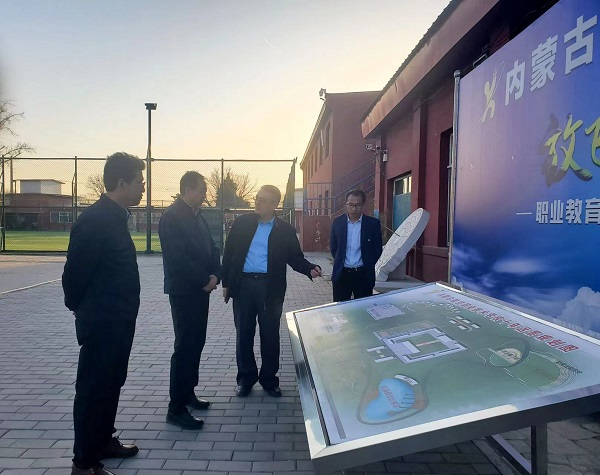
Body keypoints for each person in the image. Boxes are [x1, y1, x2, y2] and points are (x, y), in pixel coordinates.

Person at [62, 152, 146, 475]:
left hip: (119, 321)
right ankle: (84, 463)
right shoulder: (95, 221)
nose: (143, 188)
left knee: (112, 383)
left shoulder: (115, 218)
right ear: (121, 182)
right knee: (93, 390)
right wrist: (83, 311)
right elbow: (74, 276)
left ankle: (103, 442)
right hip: (101, 323)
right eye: (139, 181)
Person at [222, 185, 322, 398]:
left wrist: (309, 268)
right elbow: (229, 253)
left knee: (270, 336)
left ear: (274, 204)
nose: (257, 202)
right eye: (257, 198)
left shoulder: (284, 230)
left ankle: (269, 379)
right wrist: (226, 284)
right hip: (243, 287)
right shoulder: (242, 223)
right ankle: (245, 379)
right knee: (243, 335)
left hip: (270, 289)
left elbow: (295, 257)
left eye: (263, 199)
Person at [158, 171, 221, 430]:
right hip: (184, 292)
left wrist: (216, 274)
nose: (205, 194)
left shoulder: (198, 216)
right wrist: (204, 280)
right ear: (187, 190)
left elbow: (212, 248)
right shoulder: (172, 217)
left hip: (201, 290)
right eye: (202, 189)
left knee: (197, 342)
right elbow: (177, 258)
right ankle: (176, 408)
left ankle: (188, 393)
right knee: (184, 347)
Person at [330, 189, 383, 302]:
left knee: (363, 309)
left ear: (363, 205)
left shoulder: (372, 224)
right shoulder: (337, 222)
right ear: (346, 204)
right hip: (342, 275)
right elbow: (334, 248)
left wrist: (368, 262)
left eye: (357, 205)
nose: (354, 208)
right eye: (350, 205)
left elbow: (377, 249)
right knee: (340, 309)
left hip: (363, 275)